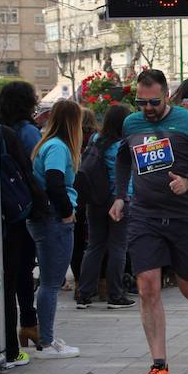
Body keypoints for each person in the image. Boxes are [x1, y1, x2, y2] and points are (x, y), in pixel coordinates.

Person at [109, 69, 188, 374]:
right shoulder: (131, 124)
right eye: (141, 102)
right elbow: (122, 158)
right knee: (148, 286)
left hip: (184, 216)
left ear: (167, 96)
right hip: (144, 215)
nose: (147, 108)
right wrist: (120, 195)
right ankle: (159, 364)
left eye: (154, 102)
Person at [27, 100, 83, 358]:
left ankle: (46, 336)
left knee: (50, 282)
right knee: (51, 282)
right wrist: (67, 213)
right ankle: (47, 341)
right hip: (54, 220)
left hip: (46, 218)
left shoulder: (47, 144)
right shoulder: (58, 148)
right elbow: (55, 180)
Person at [76, 104, 136, 310]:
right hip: (118, 198)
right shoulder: (124, 144)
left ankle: (84, 294)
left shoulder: (95, 140)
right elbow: (127, 175)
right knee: (118, 247)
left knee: (94, 246)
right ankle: (115, 295)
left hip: (95, 199)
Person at [0, 81, 41, 350]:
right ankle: (28, 324)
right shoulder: (27, 133)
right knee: (23, 269)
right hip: (22, 209)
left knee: (10, 273)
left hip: (1, 208)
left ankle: (18, 330)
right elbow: (34, 172)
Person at [70, 107, 99, 296]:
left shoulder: (72, 137)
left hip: (75, 193)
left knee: (77, 242)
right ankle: (101, 282)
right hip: (95, 193)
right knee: (97, 241)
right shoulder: (97, 138)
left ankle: (80, 283)